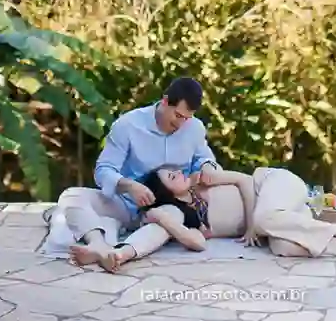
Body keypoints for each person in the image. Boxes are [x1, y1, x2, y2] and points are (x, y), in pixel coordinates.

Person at [69, 164, 336, 273]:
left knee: (268, 220)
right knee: (283, 248)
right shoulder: (174, 213)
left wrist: (254, 222)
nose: (179, 172)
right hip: (280, 218)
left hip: (274, 185)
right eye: (171, 175)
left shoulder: (201, 178)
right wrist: (162, 222)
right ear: (164, 191)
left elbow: (243, 180)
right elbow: (194, 243)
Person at [54, 78, 221, 251]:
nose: (180, 124)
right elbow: (103, 170)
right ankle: (97, 244)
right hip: (125, 205)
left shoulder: (195, 128)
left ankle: (123, 253)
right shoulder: (127, 125)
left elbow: (204, 159)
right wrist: (128, 185)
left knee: (169, 218)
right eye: (177, 115)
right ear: (164, 101)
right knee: (72, 196)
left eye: (186, 118)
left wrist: (208, 166)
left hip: (167, 209)